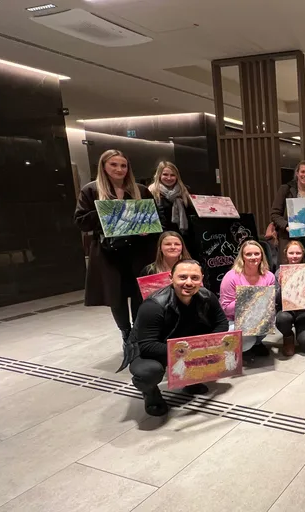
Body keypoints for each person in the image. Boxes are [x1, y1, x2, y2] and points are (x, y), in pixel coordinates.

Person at [126, 259, 230, 416]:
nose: (188, 282)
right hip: (149, 350)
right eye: (182, 277)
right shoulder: (153, 305)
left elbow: (222, 323)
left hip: (183, 344)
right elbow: (147, 346)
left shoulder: (207, 297)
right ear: (171, 278)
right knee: (148, 372)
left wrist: (208, 345)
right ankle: (150, 393)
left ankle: (190, 380)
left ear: (201, 278)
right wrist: (192, 350)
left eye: (194, 278)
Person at [74, 149, 155, 346]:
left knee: (139, 292)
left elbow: (153, 219)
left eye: (123, 165)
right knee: (116, 294)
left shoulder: (140, 190)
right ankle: (125, 333)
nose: (119, 169)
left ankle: (138, 330)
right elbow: (81, 221)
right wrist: (106, 212)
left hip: (137, 251)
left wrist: (147, 227)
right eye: (114, 165)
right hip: (108, 252)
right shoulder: (91, 190)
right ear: (103, 166)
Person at [219, 240, 277, 357]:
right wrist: (247, 298)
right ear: (242, 257)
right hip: (233, 319)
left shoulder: (269, 276)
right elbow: (225, 308)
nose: (253, 257)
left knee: (270, 320)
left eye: (257, 253)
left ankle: (257, 343)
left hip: (257, 317)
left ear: (262, 256)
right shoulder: (231, 276)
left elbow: (269, 304)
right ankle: (246, 346)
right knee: (246, 343)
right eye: (248, 254)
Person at [274, 240, 305, 354]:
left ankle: (303, 334)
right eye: (291, 253)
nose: (294, 256)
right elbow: (276, 301)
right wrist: (281, 286)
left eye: (298, 253)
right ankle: (288, 336)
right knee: (283, 319)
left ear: (303, 254)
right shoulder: (279, 272)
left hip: (303, 313)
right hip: (286, 312)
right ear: (286, 254)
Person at [148, 161, 193, 236]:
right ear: (159, 175)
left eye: (172, 175)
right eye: (165, 174)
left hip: (183, 235)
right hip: (161, 235)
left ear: (177, 177)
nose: (169, 178)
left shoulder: (185, 191)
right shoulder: (151, 192)